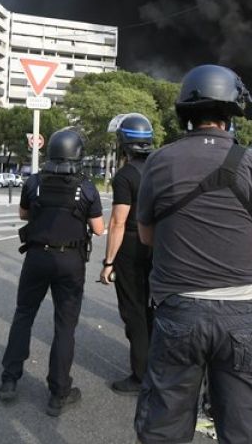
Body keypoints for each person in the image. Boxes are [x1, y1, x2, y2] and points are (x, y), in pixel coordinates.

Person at [134, 64, 252, 444]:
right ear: (231, 114)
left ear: (185, 113)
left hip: (176, 313)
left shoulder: (157, 163)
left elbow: (147, 236)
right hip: (242, 320)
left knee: (163, 428)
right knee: (249, 432)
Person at [0, 127, 105, 416]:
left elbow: (24, 214)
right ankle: (58, 393)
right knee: (64, 326)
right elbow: (98, 229)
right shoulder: (87, 186)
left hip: (36, 257)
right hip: (70, 262)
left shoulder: (34, 181)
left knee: (23, 315)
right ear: (78, 154)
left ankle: (9, 379)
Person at [99, 113, 155, 395]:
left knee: (134, 310)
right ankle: (160, 371)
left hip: (132, 247)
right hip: (161, 246)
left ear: (124, 143)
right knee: (155, 310)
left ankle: (140, 375)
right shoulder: (162, 167)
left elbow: (118, 222)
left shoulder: (125, 176)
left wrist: (108, 262)